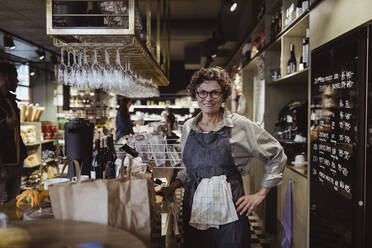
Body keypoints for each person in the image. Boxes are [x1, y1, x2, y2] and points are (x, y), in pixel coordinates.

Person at [157, 67, 287, 247]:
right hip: (194, 209)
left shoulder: (240, 125)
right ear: (195, 94)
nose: (208, 99)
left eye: (214, 93)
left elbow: (276, 154)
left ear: (223, 95)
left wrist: (260, 194)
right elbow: (189, 170)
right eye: (202, 93)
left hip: (230, 211)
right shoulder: (188, 127)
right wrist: (172, 187)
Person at [0, 62, 27, 203]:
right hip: (2, 165)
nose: (17, 82)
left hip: (16, 161)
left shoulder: (11, 101)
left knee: (14, 203)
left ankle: (13, 225)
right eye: (15, 78)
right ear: (5, 79)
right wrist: (5, 125)